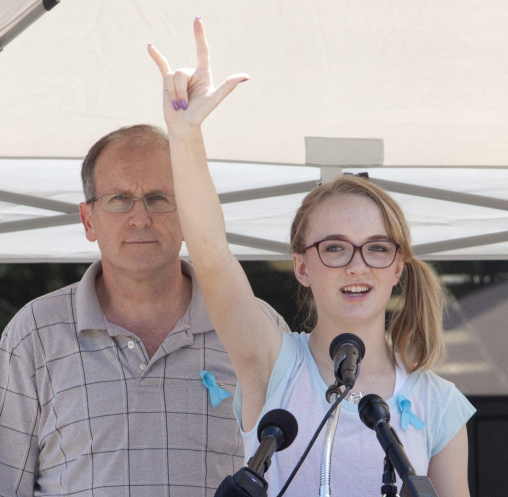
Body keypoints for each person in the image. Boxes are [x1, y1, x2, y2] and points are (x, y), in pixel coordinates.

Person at [148, 18, 475, 497]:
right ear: (302, 266)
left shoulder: (438, 403)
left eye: (377, 248)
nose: (358, 265)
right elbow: (213, 257)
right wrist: (184, 134)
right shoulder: (273, 364)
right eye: (336, 248)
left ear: (398, 269)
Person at [0, 124, 288, 497]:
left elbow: (299, 475)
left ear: (189, 214)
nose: (140, 217)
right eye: (119, 198)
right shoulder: (35, 333)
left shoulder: (255, 326)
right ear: (88, 220)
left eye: (159, 198)